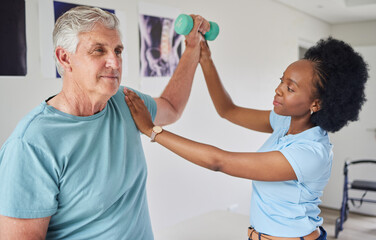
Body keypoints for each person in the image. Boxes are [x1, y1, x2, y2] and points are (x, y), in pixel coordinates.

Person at [124, 37, 369, 240]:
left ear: (316, 103)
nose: (279, 90)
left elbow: (218, 161)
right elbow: (227, 110)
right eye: (281, 81)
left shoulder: (310, 153)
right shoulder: (284, 122)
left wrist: (152, 130)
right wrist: (206, 60)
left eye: (291, 88)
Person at [0, 6, 210, 239]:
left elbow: (171, 107)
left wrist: (191, 48)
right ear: (64, 57)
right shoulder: (30, 144)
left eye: (118, 51)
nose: (115, 62)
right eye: (98, 50)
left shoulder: (125, 101)